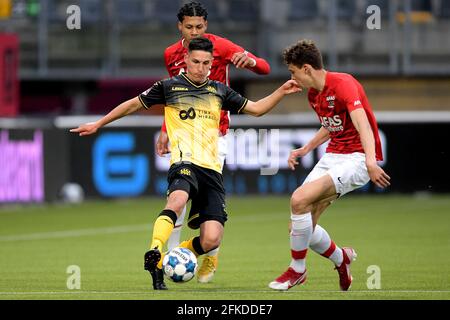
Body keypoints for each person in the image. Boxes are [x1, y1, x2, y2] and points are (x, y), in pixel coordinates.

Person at [70, 37, 300, 290]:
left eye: (206, 63)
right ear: (186, 60)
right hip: (184, 161)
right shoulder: (169, 87)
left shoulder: (219, 90)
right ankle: (155, 255)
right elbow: (132, 105)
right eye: (196, 62)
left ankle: (178, 252)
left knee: (211, 240)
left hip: (212, 170)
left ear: (212, 64)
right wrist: (98, 124)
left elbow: (256, 109)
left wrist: (281, 91)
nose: (200, 67)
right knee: (177, 201)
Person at [157, 1, 271, 284]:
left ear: (206, 26)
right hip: (183, 133)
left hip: (214, 135)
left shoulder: (220, 46)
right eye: (188, 26)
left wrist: (252, 62)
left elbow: (265, 68)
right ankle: (171, 257)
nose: (194, 31)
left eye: (199, 26)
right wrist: (165, 129)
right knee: (177, 198)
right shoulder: (171, 54)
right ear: (179, 26)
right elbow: (174, 94)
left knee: (209, 202)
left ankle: (211, 252)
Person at [268, 39, 391, 291]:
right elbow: (330, 124)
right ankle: (341, 259)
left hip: (357, 158)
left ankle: (297, 270)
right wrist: (306, 148)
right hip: (334, 156)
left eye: (292, 71)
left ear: (306, 69)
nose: (292, 77)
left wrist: (369, 161)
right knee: (300, 227)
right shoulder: (314, 94)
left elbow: (362, 124)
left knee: (298, 200)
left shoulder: (344, 84)